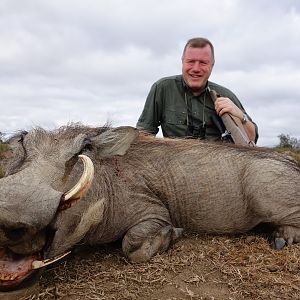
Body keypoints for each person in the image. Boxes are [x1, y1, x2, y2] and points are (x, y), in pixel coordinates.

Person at [136, 37, 258, 143]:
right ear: (182, 62)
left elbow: (252, 139)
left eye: (203, 63)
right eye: (191, 62)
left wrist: (241, 116)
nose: (196, 68)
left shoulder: (226, 95)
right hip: (173, 167)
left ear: (212, 65)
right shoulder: (162, 88)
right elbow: (143, 136)